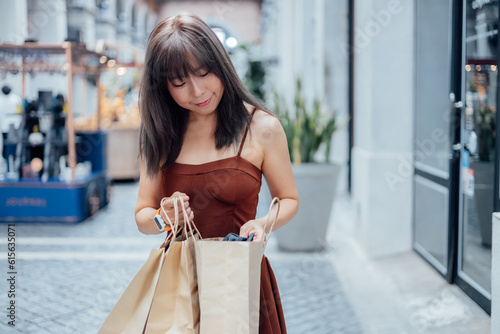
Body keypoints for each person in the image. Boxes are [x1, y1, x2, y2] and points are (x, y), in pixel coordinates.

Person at [134, 12, 299, 333]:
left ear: (220, 63)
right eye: (180, 82)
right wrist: (163, 217)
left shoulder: (262, 127)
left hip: (240, 277)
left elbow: (289, 198)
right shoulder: (161, 133)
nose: (197, 91)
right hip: (178, 283)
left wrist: (263, 223)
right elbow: (143, 215)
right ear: (163, 86)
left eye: (204, 72)